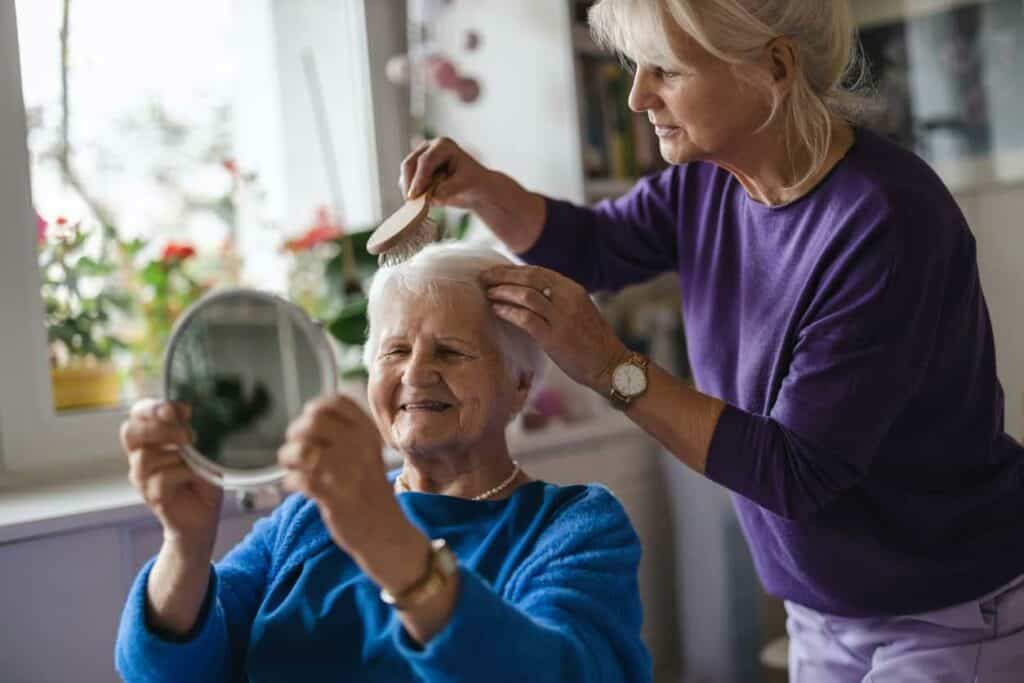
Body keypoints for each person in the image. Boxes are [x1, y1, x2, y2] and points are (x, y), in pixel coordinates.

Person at [400, 1, 1024, 680]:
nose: (638, 97)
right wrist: (485, 190)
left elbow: (795, 470)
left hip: (950, 611)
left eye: (664, 69)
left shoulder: (887, 224)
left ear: (775, 67)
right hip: (821, 609)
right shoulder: (705, 182)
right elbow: (597, 246)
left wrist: (611, 366)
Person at [114, 244, 651, 683]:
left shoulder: (573, 526)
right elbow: (163, 671)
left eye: (450, 351)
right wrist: (184, 543)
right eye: (395, 352)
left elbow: (560, 673)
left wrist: (380, 534)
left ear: (519, 383)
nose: (416, 375)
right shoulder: (305, 519)